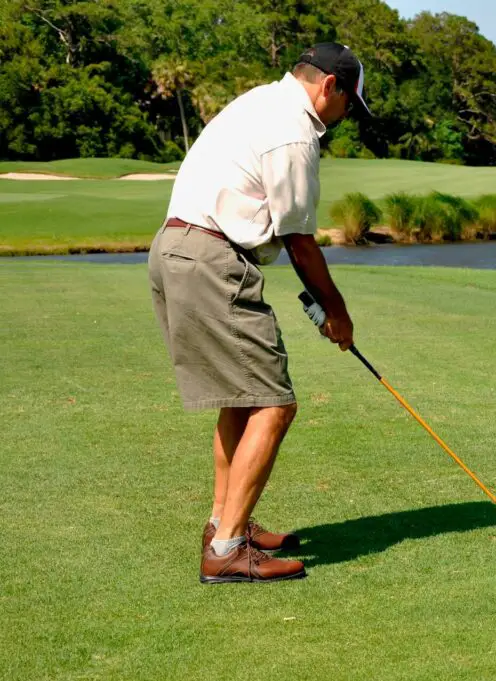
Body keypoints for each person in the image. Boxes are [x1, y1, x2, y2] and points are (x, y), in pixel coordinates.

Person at [148, 43, 371, 584]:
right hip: (211, 258)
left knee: (242, 399)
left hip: (174, 249)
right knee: (274, 404)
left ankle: (226, 525)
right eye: (349, 105)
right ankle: (226, 550)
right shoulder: (294, 132)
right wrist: (336, 311)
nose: (345, 118)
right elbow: (299, 239)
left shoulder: (258, 101)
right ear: (330, 88)